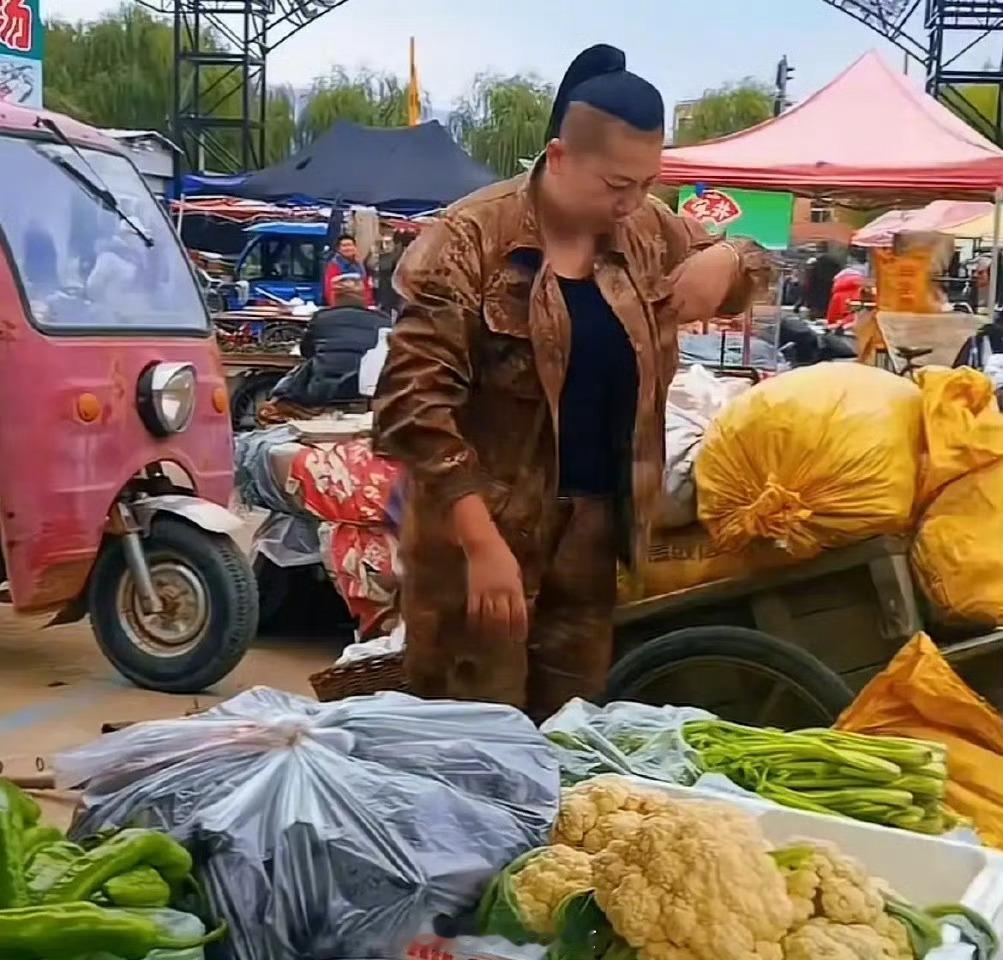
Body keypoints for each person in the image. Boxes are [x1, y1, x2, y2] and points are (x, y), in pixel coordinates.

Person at [373, 44, 769, 719]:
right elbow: (411, 405)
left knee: (566, 737)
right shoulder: (468, 241)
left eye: (648, 184)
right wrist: (479, 541)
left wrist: (728, 259)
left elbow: (757, 265)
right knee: (473, 745)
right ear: (558, 159)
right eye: (618, 186)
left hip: (591, 537)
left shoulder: (647, 231)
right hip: (479, 541)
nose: (634, 203)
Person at [323, 233, 374, 308]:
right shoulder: (334, 265)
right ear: (338, 249)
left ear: (355, 247)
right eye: (344, 246)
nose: (348, 248)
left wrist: (367, 304)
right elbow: (329, 289)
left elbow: (366, 287)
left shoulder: (360, 266)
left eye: (350, 245)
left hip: (360, 307)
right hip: (341, 307)